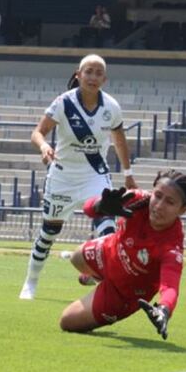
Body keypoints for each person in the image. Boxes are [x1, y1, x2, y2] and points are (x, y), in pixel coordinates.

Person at [19, 54, 137, 300]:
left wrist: (128, 174)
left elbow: (119, 140)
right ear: (78, 74)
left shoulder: (112, 107)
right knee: (49, 232)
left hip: (95, 175)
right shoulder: (64, 103)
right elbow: (37, 132)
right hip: (63, 176)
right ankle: (31, 280)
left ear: (104, 79)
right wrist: (43, 147)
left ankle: (100, 277)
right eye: (88, 72)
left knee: (107, 229)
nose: (93, 77)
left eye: (98, 73)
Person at [59, 171, 186, 340]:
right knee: (76, 257)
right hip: (109, 253)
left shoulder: (171, 247)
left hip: (123, 292)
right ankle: (97, 277)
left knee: (67, 322)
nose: (159, 205)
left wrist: (164, 309)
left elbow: (170, 287)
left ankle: (102, 287)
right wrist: (100, 205)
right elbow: (88, 209)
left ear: (183, 209)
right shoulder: (137, 200)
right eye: (158, 196)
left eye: (170, 202)